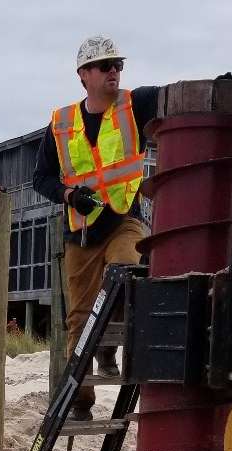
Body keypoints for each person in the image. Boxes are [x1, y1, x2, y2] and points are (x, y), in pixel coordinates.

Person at [33, 36, 158, 417]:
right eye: (105, 66)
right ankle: (81, 400)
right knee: (79, 318)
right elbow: (42, 178)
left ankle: (108, 348)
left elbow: (175, 97)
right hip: (82, 230)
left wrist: (212, 87)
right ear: (84, 75)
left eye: (117, 65)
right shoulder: (61, 123)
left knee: (129, 269)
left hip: (124, 218)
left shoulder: (136, 104)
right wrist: (70, 195)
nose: (114, 72)